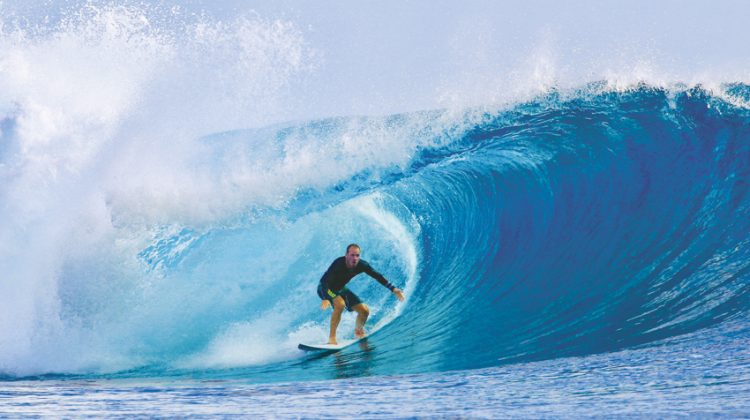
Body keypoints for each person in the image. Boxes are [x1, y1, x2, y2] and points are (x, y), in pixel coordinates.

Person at [317, 243, 404, 344]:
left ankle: (358, 332)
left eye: (357, 255)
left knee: (364, 311)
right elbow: (324, 282)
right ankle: (332, 339)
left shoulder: (362, 265)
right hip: (326, 289)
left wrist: (393, 289)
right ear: (346, 255)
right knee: (340, 304)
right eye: (352, 255)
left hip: (340, 289)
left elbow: (377, 275)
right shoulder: (338, 263)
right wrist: (326, 298)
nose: (355, 258)